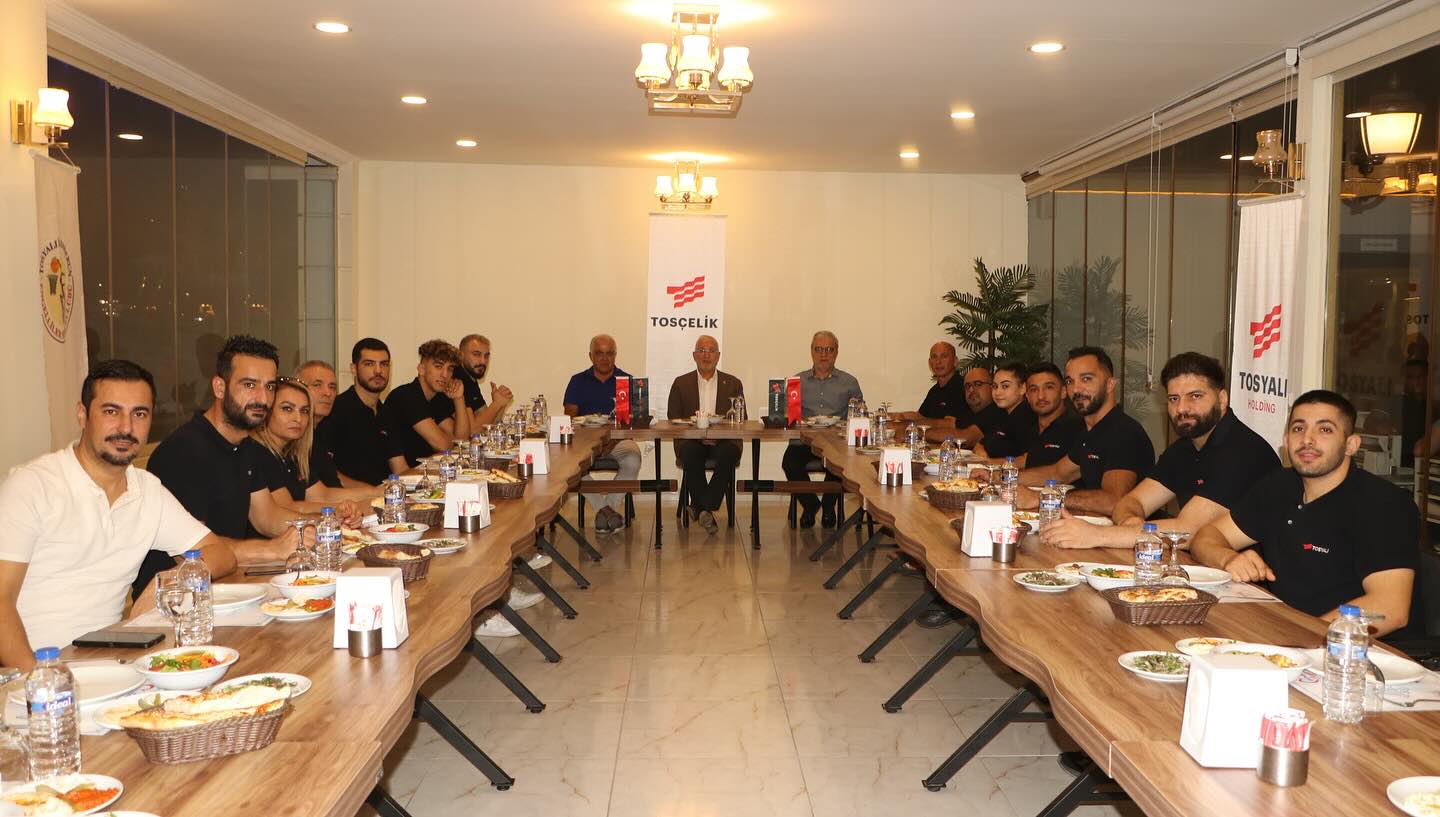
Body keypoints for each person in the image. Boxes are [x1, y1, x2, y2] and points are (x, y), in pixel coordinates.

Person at [0, 361, 288, 669]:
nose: (126, 427)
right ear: (82, 414)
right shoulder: (33, 485)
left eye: (139, 414)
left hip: (112, 661)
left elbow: (219, 554)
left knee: (261, 662)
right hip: (41, 673)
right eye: (111, 412)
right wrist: (38, 683)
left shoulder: (146, 490)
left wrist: (169, 579)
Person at [1190, 390, 1417, 637]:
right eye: (1298, 428)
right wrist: (1227, 558)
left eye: (1325, 430)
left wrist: (1300, 637)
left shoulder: (1384, 504)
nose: (1307, 439)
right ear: (1286, 440)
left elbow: (1390, 608)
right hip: (1281, 630)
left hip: (1351, 650)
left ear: (1351, 445)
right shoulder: (1277, 486)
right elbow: (1206, 537)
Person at [1040, 352, 1280, 549]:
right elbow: (1131, 501)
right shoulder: (1184, 448)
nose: (1182, 409)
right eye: (1174, 399)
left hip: (1250, 582)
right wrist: (1131, 523)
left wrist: (1097, 535)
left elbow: (1187, 531)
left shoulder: (1244, 452)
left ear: (1222, 399)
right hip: (1197, 569)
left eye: (1195, 396)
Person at [148, 335, 321, 557]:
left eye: (269, 387)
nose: (263, 398)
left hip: (232, 573)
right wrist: (270, 549)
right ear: (219, 388)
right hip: (184, 578)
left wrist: (324, 524)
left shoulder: (246, 446)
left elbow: (267, 517)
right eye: (249, 385)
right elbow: (190, 550)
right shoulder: (183, 450)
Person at [1014, 347, 1154, 516]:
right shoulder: (1089, 433)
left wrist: (1042, 499)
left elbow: (1114, 500)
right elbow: (1058, 473)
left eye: (1086, 379)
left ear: (1110, 384)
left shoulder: (1124, 433)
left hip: (1124, 532)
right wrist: (1000, 477)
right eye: (1070, 381)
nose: (1076, 389)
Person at [251, 379, 378, 514]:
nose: (298, 418)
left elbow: (323, 496)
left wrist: (378, 493)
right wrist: (352, 508)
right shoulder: (258, 453)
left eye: (304, 411)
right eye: (287, 409)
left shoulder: (292, 455)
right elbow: (288, 507)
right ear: (267, 411)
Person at [782, 331, 863, 528]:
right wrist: (791, 416)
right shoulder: (796, 380)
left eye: (829, 349)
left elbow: (860, 415)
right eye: (819, 349)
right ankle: (811, 505)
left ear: (836, 352)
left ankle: (828, 506)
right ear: (811, 351)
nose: (823, 354)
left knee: (839, 465)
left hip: (837, 443)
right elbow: (788, 415)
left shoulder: (849, 382)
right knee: (789, 463)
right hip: (804, 442)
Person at [563, 334, 642, 533]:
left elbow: (629, 423)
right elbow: (569, 420)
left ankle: (608, 510)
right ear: (590, 356)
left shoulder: (625, 380)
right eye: (599, 353)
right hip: (584, 441)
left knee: (633, 459)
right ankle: (606, 511)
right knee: (572, 467)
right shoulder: (578, 381)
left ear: (615, 355)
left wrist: (611, 442)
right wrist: (591, 443)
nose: (604, 358)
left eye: (609, 353)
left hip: (618, 439)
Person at [667, 335, 744, 534]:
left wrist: (719, 434)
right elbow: (673, 418)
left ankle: (700, 506)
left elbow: (741, 419)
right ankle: (704, 508)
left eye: (711, 351)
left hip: (723, 441)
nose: (706, 355)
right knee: (691, 453)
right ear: (694, 355)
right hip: (692, 441)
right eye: (701, 350)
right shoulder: (681, 383)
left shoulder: (733, 383)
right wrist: (697, 433)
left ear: (718, 356)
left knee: (729, 453)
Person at [381, 339, 472, 472]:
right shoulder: (407, 396)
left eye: (450, 369)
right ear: (421, 369)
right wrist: (452, 442)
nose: (445, 375)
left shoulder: (436, 398)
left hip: (425, 472)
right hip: (403, 476)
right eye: (438, 366)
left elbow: (462, 440)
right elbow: (443, 445)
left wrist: (459, 398)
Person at [322, 338, 393, 486]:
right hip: (350, 498)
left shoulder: (386, 412)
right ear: (353, 369)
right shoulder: (334, 411)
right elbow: (326, 473)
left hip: (386, 494)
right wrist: (372, 492)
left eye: (384, 364)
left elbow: (398, 465)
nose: (378, 371)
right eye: (369, 364)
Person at [973, 361, 1035, 459]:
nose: (998, 392)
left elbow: (1027, 459)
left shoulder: (1028, 418)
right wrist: (982, 453)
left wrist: (988, 462)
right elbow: (980, 444)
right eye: (995, 386)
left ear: (1023, 388)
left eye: (1005, 386)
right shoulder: (1002, 413)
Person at [456, 334, 514, 427]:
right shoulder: (457, 379)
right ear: (461, 355)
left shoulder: (470, 379)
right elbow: (473, 430)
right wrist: (497, 404)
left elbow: (490, 424)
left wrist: (501, 404)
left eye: (486, 356)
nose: (483, 361)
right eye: (476, 354)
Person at [297, 359, 339, 463]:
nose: (328, 393)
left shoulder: (324, 433)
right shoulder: (293, 437)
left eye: (332, 387)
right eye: (317, 385)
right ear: (298, 389)